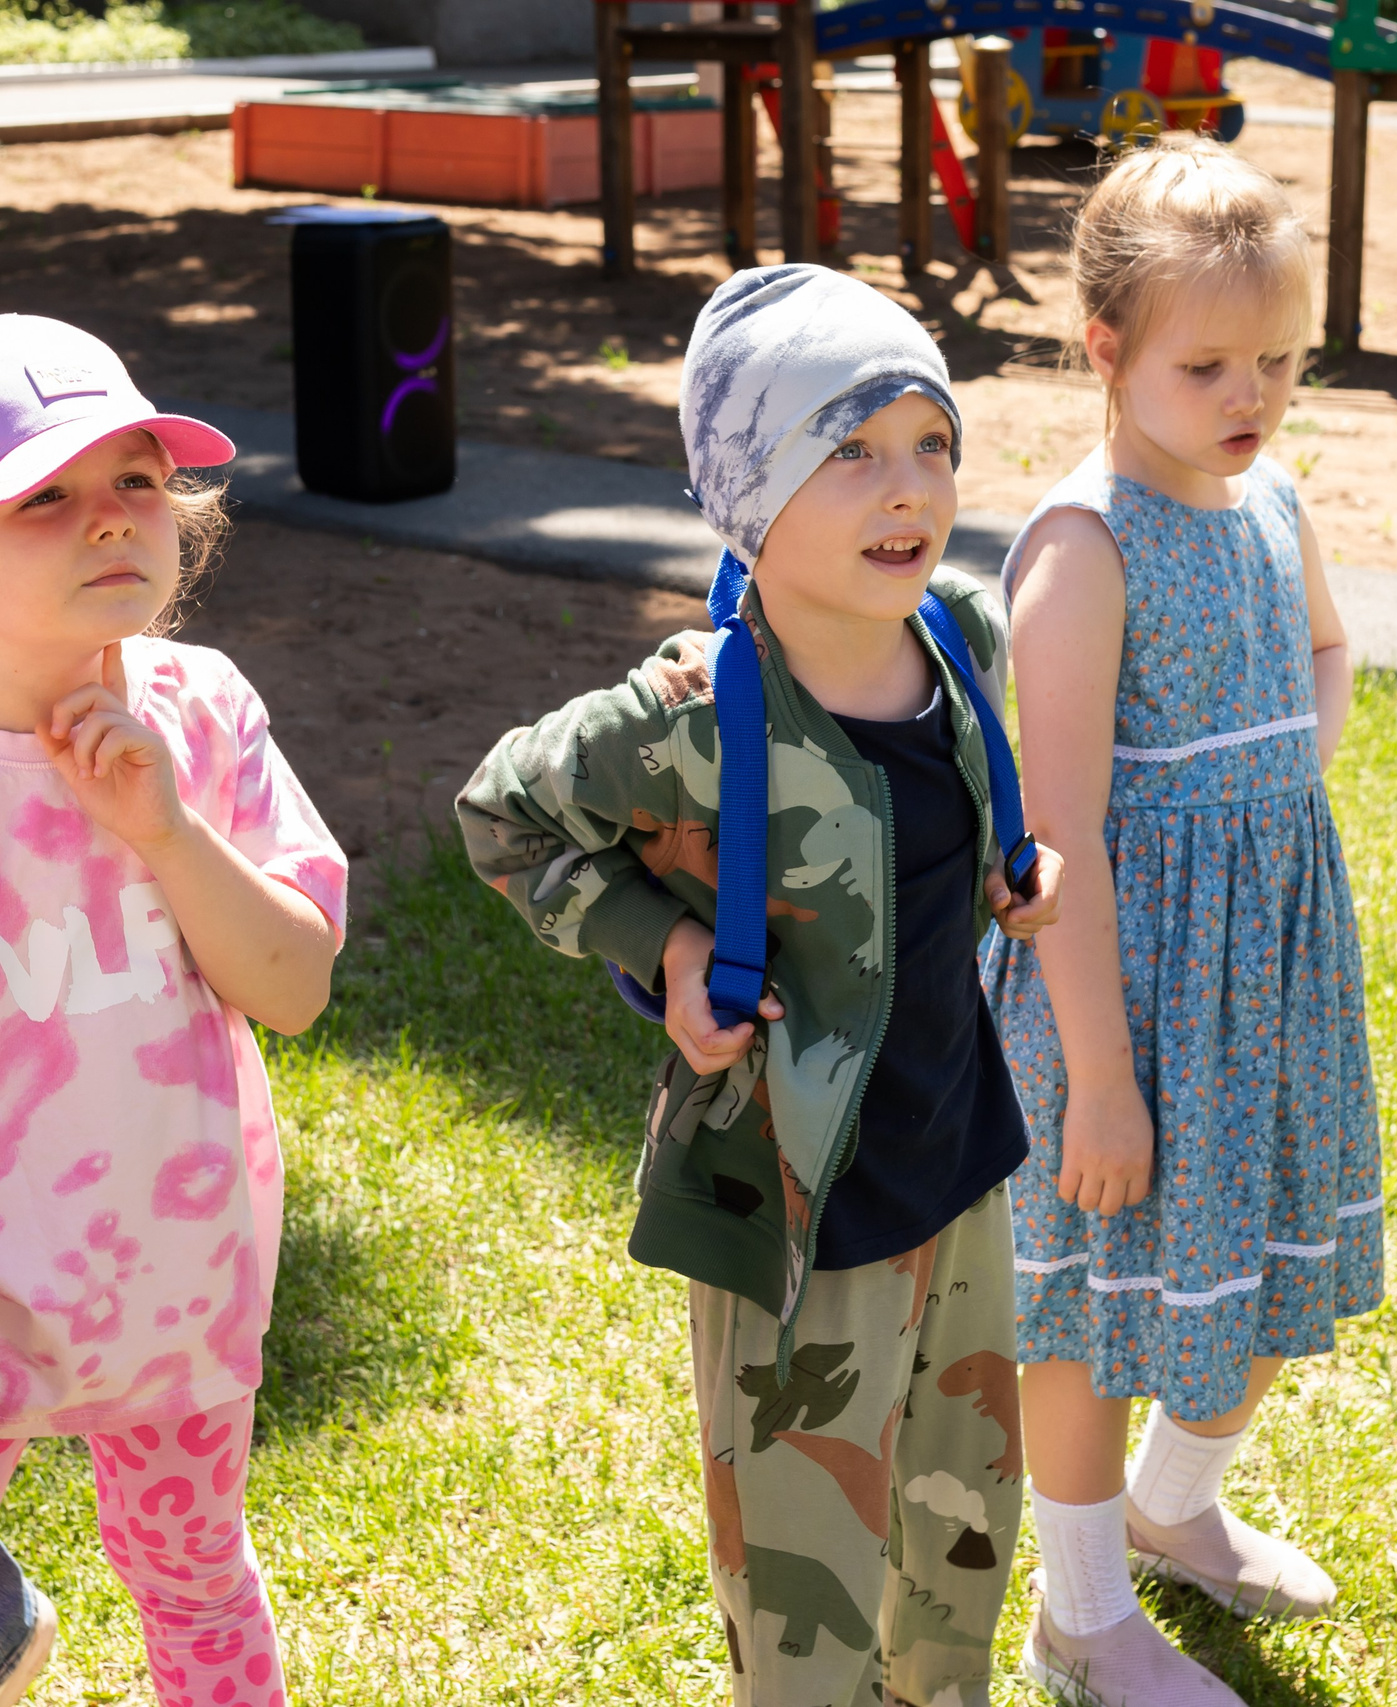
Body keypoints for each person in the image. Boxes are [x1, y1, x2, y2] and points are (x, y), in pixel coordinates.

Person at [460, 264, 1065, 1707]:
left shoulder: (958, 637)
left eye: (930, 442)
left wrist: (1011, 871)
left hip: (960, 1170)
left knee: (964, 1537)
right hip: (798, 1221)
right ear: (747, 499)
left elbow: (954, 819)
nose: (906, 485)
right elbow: (502, 816)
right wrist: (668, 950)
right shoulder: (690, 713)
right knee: (807, 1600)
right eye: (849, 450)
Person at [0, 312, 345, 1707]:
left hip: (181, 1292)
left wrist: (166, 831)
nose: (109, 518)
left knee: (195, 1571)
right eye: (43, 496)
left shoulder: (202, 711)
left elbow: (294, 987)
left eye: (136, 479)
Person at [983, 136, 1380, 1704]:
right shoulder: (1085, 549)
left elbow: (1329, 648)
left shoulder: (1270, 497)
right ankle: (1080, 1615)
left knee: (1269, 1249)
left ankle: (1173, 1505)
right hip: (1125, 990)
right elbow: (1055, 839)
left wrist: (1279, 779)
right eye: (1207, 365)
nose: (1251, 395)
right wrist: (1100, 1077)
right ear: (1106, 348)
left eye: (1278, 360)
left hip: (1267, 966)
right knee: (1096, 1301)